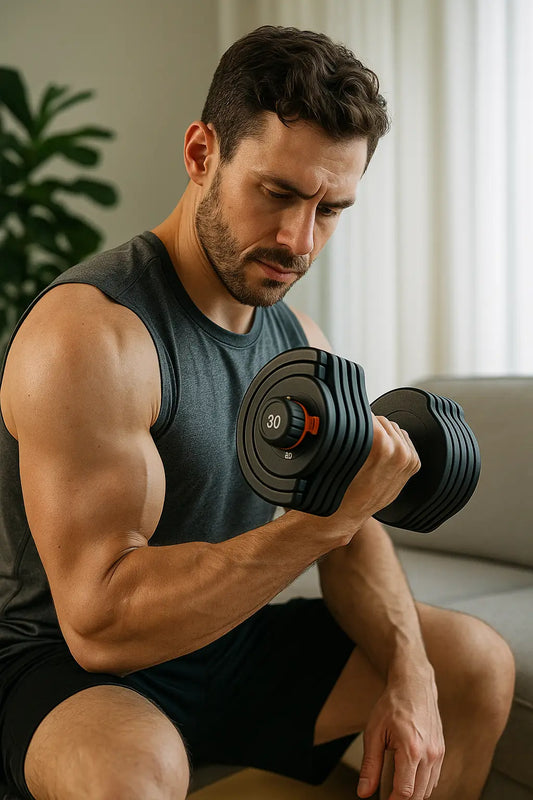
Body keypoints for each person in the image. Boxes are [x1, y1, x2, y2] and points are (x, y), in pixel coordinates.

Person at [0, 25, 514, 800]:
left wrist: (411, 674)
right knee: (129, 774)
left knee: (472, 663)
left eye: (330, 209)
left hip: (225, 640)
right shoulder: (93, 335)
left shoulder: (298, 339)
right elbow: (100, 621)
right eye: (277, 193)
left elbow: (351, 536)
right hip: (66, 664)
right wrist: (325, 521)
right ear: (202, 153)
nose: (297, 240)